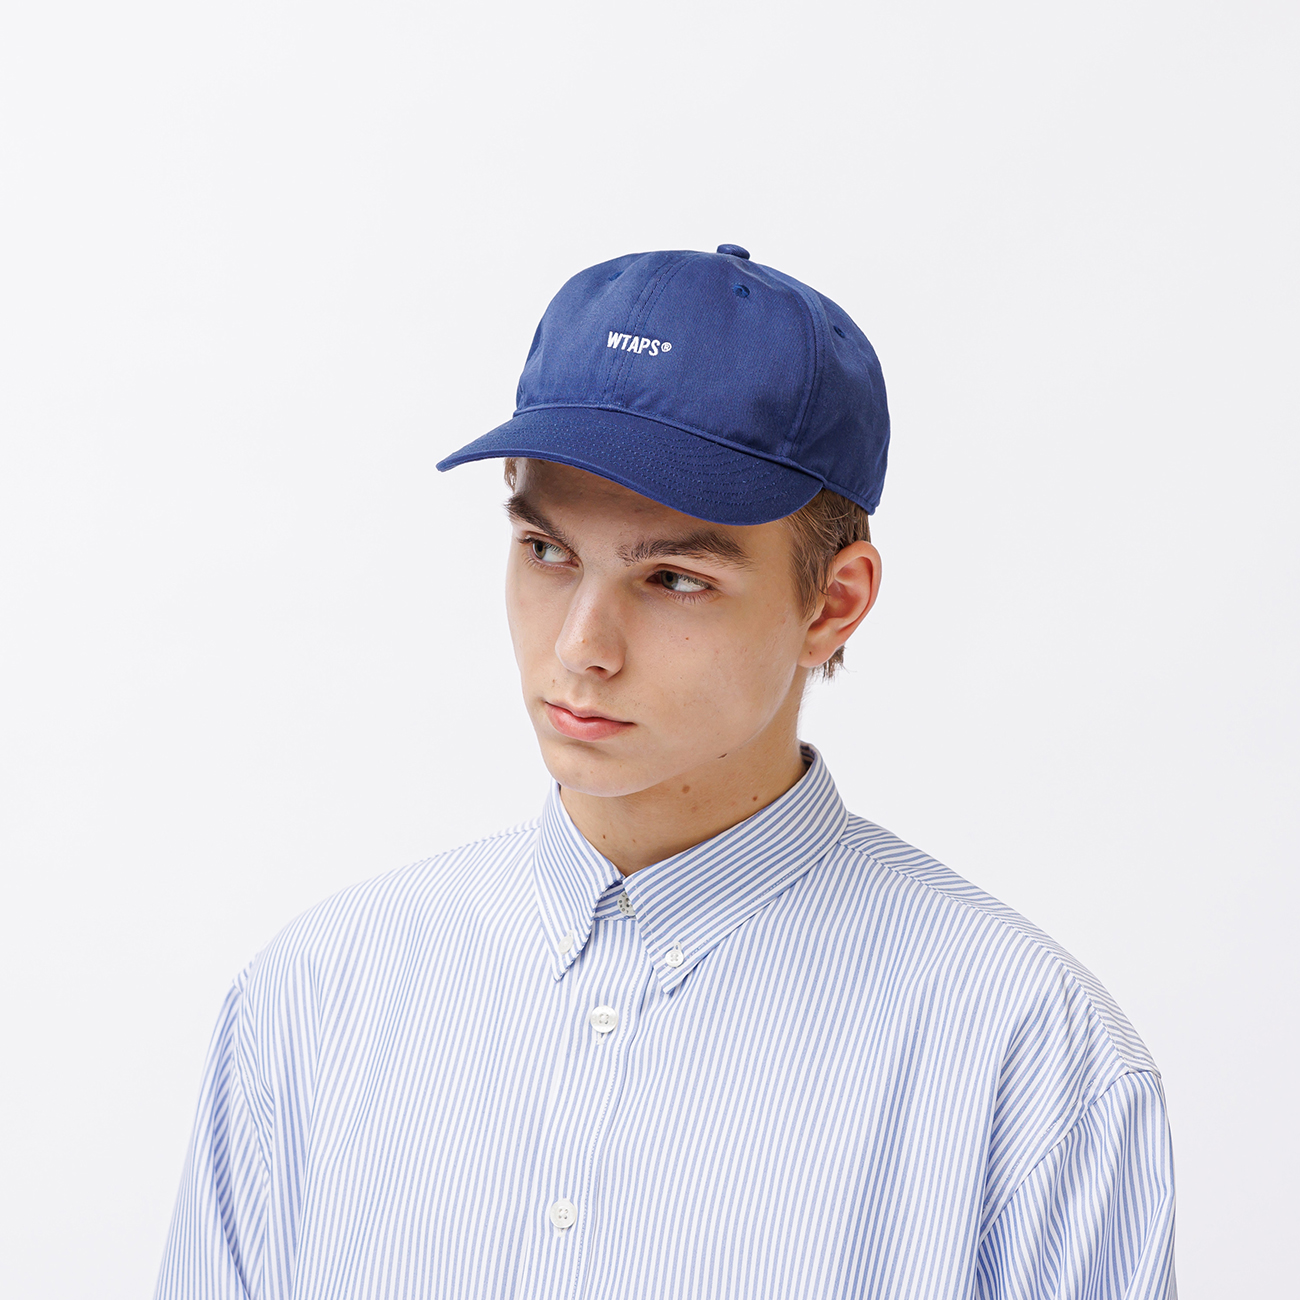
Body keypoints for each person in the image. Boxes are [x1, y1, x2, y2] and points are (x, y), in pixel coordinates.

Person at [156, 245, 1177, 1299]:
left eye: (674, 578)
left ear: (832, 604)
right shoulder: (317, 997)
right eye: (547, 552)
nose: (581, 648)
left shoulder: (1028, 1059)